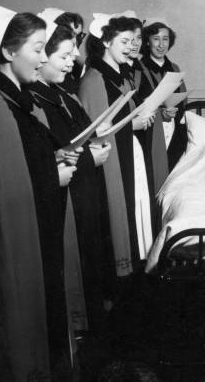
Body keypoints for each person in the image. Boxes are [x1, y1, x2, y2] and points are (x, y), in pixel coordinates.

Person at [0, 3, 72, 379]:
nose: (42, 59)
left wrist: (51, 160)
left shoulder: (12, 97)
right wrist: (52, 178)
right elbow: (4, 196)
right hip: (13, 245)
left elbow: (21, 164)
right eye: (38, 49)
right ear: (8, 52)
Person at [28, 16, 114, 335]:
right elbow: (51, 154)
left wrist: (95, 137)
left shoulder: (62, 94)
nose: (71, 62)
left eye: (72, 55)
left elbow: (77, 135)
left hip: (84, 192)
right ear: (40, 57)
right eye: (64, 56)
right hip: (67, 198)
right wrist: (87, 155)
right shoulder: (34, 101)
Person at [79, 15, 155, 276]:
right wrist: (132, 125)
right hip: (111, 160)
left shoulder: (119, 75)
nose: (130, 47)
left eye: (133, 41)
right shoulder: (95, 79)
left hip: (128, 152)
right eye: (123, 41)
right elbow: (98, 133)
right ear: (106, 41)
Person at [137, 21, 188, 180]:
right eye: (156, 39)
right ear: (147, 41)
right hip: (150, 131)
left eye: (165, 39)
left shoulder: (175, 68)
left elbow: (182, 100)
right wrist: (161, 113)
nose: (161, 44)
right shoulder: (138, 68)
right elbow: (137, 105)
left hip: (174, 129)